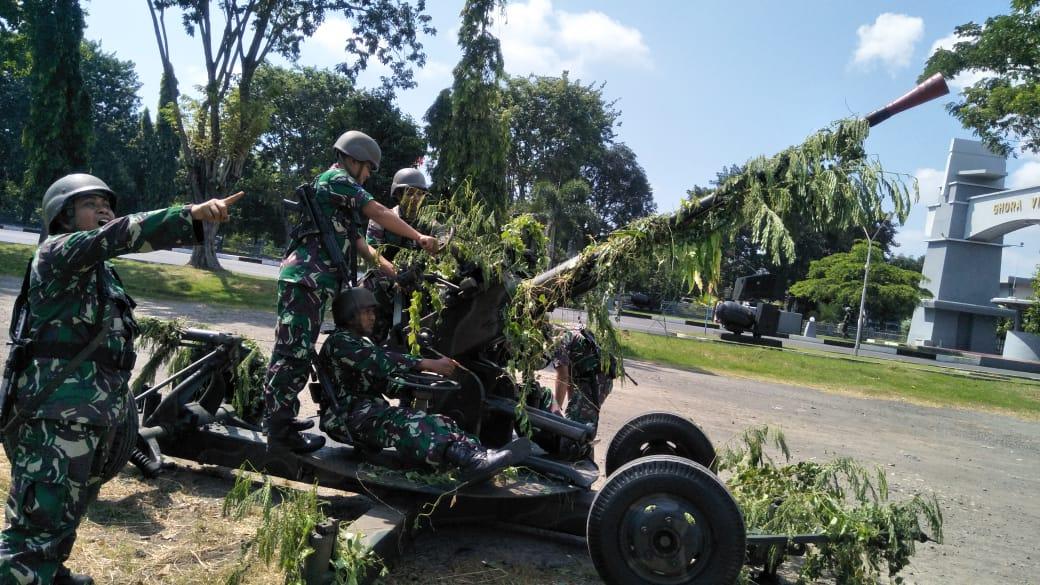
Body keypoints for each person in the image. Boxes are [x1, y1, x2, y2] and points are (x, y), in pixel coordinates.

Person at [0, 173, 242, 585]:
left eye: (107, 204)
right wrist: (190, 216)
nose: (104, 211)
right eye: (91, 204)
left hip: (90, 414)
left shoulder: (100, 273)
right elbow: (121, 234)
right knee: (37, 522)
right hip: (55, 415)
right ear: (62, 215)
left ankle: (48, 572)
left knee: (69, 509)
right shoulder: (58, 252)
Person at [264, 131, 441, 453]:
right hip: (304, 278)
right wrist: (419, 237)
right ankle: (278, 429)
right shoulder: (335, 180)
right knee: (293, 353)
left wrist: (396, 274)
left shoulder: (343, 200)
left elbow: (362, 246)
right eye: (369, 168)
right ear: (355, 159)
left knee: (299, 353)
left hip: (318, 283)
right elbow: (379, 213)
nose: (370, 175)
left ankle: (282, 420)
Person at [317, 288, 530, 484]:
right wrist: (426, 363)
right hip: (348, 416)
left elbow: (388, 383)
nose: (373, 317)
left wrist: (420, 383)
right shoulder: (340, 342)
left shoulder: (360, 343)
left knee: (440, 421)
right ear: (349, 314)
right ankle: (469, 459)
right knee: (410, 423)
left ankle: (476, 455)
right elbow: (379, 360)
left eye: (373, 312)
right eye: (366, 312)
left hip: (367, 413)